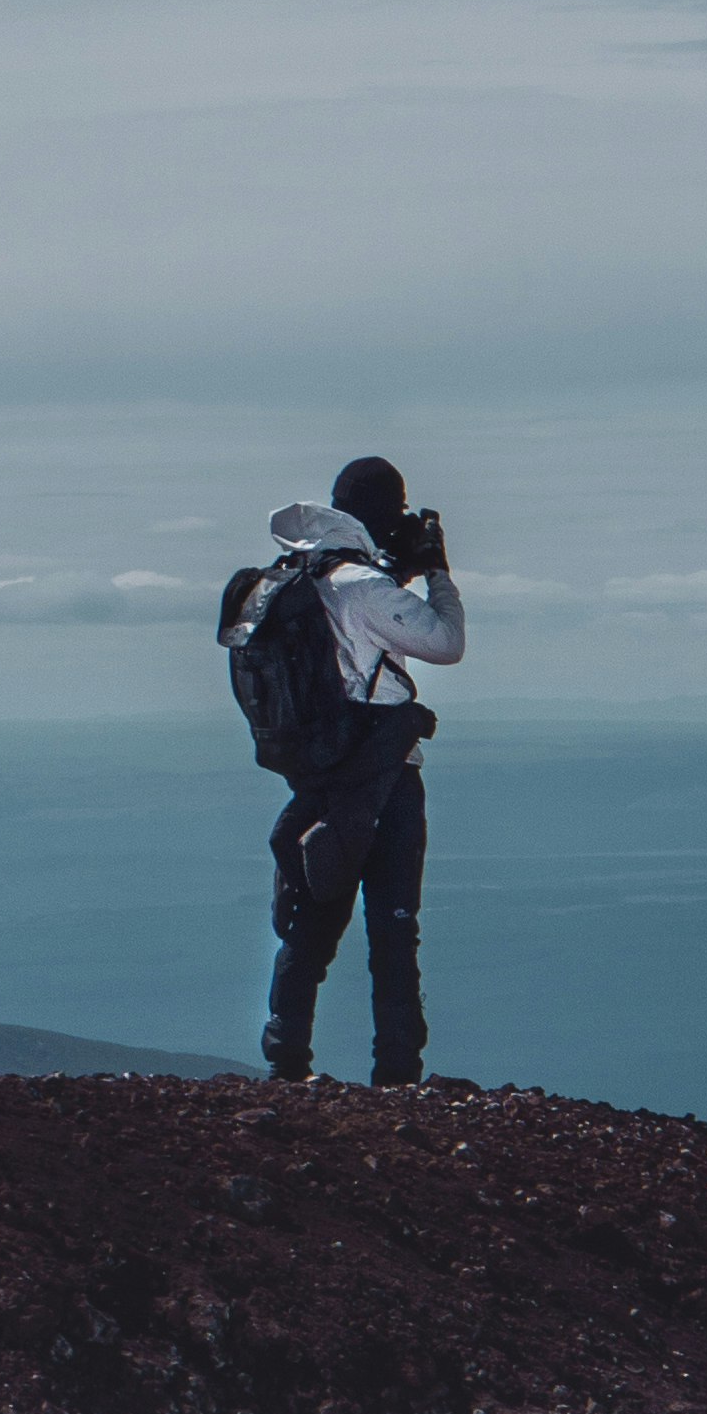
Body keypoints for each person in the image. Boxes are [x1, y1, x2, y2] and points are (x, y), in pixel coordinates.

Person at [250, 455, 464, 1089]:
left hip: (320, 773)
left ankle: (285, 1061)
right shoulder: (365, 587)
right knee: (394, 927)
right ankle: (397, 1074)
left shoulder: (298, 579)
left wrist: (394, 567)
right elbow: (446, 644)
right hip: (384, 776)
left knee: (313, 922)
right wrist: (438, 574)